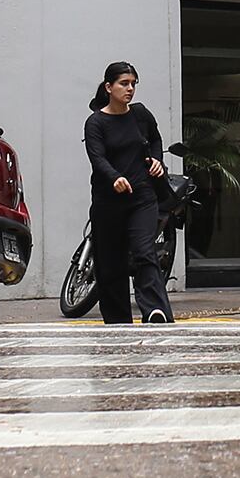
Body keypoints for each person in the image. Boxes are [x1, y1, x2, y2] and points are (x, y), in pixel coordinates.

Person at [83, 61, 173, 325]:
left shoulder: (141, 114)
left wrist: (157, 160)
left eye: (133, 83)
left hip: (142, 198)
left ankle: (155, 312)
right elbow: (97, 158)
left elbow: (155, 140)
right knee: (111, 265)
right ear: (109, 87)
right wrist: (115, 177)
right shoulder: (96, 122)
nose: (130, 89)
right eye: (124, 83)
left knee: (145, 252)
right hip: (108, 203)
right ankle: (118, 323)